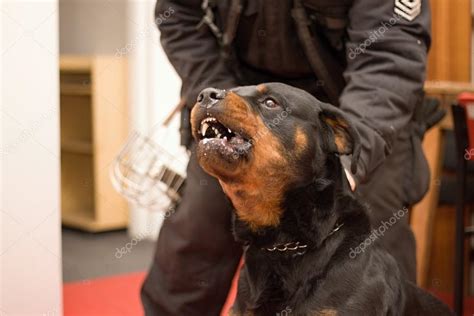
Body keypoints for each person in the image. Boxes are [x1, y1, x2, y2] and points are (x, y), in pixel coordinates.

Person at [141, 0, 435, 315]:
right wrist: (231, 108)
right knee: (192, 249)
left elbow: (390, 53)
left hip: (359, 110)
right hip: (246, 94)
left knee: (376, 263)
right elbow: (178, 14)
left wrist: (350, 154)